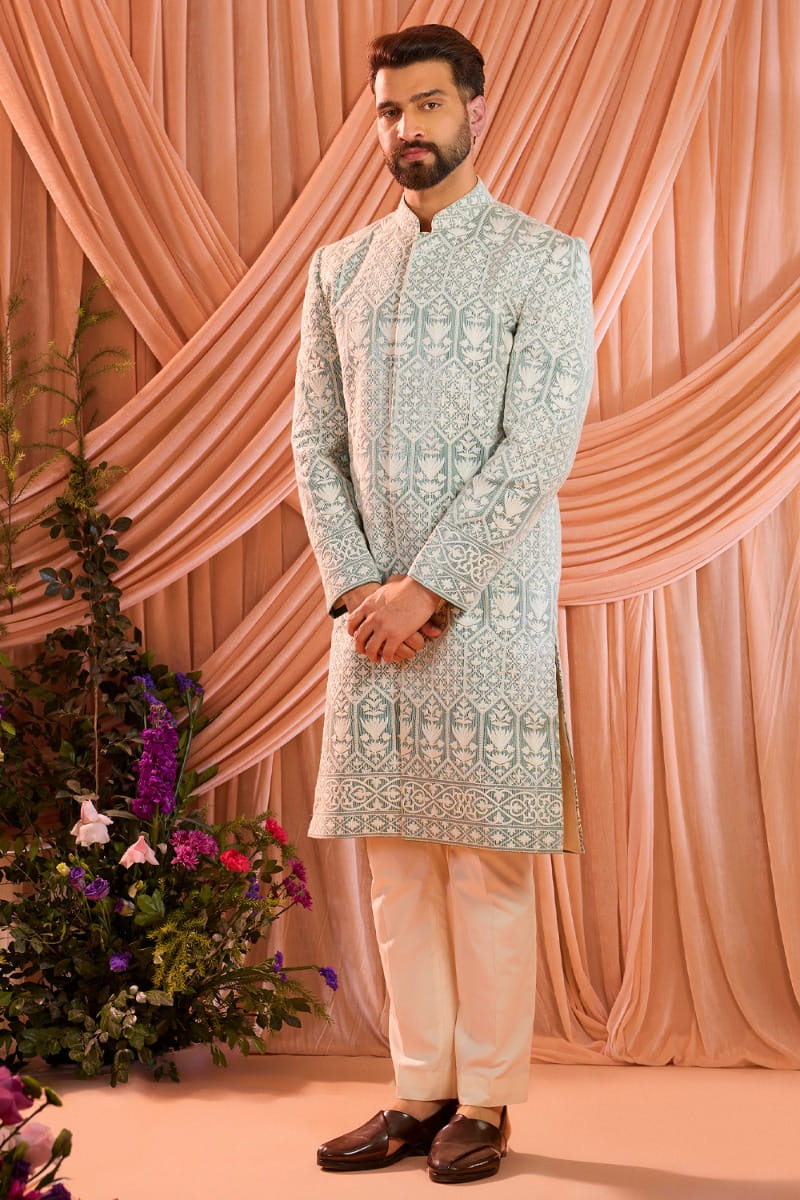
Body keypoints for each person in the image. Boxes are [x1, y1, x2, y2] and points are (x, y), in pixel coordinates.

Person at [292, 23, 594, 1185]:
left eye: (426, 104)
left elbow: (538, 447)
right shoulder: (338, 269)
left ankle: (488, 1101)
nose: (406, 128)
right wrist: (360, 590)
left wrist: (428, 587)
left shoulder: (541, 260)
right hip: (368, 619)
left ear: (474, 107)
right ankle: (417, 1094)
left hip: (487, 609)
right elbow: (311, 445)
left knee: (485, 868)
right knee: (397, 871)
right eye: (388, 110)